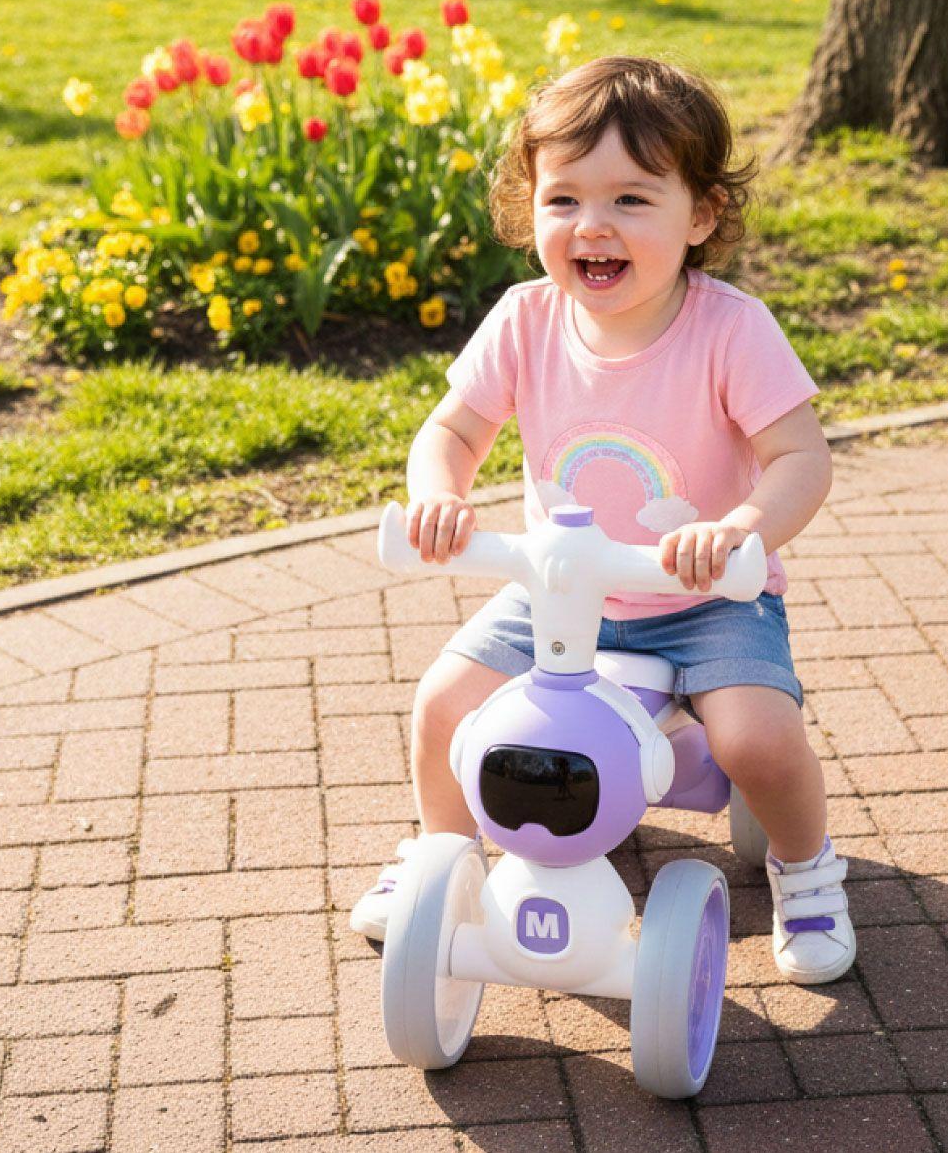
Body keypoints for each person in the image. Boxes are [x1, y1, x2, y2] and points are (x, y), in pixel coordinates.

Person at [349, 56, 854, 987]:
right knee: (444, 706)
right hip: (559, 595)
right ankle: (441, 857)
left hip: (705, 597)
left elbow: (801, 459)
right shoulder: (525, 320)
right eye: (564, 199)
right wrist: (439, 493)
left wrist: (739, 531)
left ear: (700, 215)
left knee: (755, 740)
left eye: (630, 199)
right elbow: (452, 429)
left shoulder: (731, 330)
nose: (593, 225)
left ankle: (806, 867)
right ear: (530, 209)